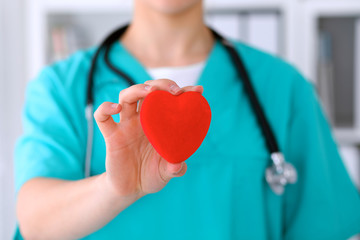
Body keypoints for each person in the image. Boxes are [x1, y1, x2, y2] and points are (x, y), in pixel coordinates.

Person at [15, 0, 360, 239]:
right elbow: (34, 221)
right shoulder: (63, 86)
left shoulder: (282, 86)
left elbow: (326, 227)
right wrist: (113, 189)